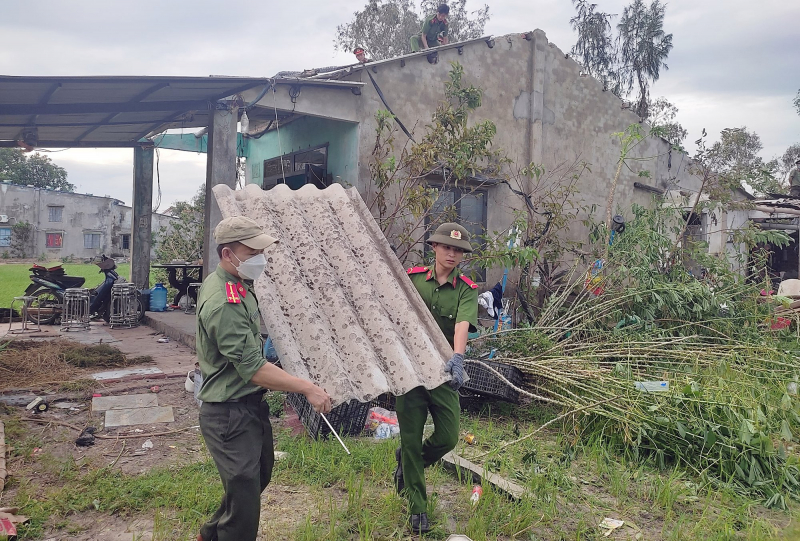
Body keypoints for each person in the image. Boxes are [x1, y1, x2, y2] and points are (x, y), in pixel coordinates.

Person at [196, 215, 332, 541]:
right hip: (227, 413)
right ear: (228, 255)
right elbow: (254, 368)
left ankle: (209, 535)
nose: (260, 259)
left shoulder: (238, 286)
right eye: (252, 252)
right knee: (244, 501)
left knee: (256, 479)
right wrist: (307, 387)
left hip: (246, 407)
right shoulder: (223, 302)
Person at [395, 222, 478, 534]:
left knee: (448, 437)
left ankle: (408, 461)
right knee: (411, 438)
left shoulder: (467, 289)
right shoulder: (414, 278)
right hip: (411, 373)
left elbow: (462, 324)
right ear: (434, 247)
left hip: (443, 374)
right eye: (447, 247)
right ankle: (418, 508)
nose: (452, 254)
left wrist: (458, 356)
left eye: (458, 250)